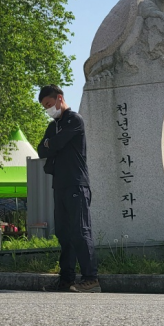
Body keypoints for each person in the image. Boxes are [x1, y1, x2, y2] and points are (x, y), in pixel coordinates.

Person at [37, 85, 100, 293]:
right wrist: (50, 143)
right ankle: (66, 280)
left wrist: (51, 143)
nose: (48, 109)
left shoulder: (74, 120)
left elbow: (56, 144)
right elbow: (41, 149)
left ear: (59, 99)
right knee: (64, 233)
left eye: (49, 104)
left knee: (80, 231)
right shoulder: (53, 125)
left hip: (76, 182)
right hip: (60, 184)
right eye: (45, 107)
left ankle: (91, 279)